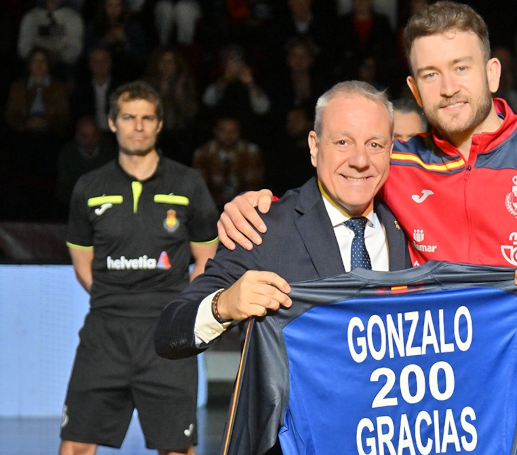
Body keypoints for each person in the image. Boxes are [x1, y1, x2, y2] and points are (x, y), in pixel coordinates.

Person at [216, 3, 517, 454]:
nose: (449, 88)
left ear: (492, 73)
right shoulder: (396, 164)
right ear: (415, 90)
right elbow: (334, 184)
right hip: (452, 423)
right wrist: (258, 206)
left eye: (461, 67)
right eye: (431, 74)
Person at [154, 82, 411, 454]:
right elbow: (169, 331)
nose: (360, 160)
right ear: (314, 146)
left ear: (390, 150)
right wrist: (224, 305)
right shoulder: (263, 228)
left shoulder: (409, 227)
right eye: (342, 142)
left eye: (375, 144)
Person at [60, 80, 219, 455]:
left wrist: (180, 307)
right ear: (112, 123)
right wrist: (113, 297)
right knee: (76, 446)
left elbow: (207, 258)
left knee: (176, 449)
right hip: (105, 334)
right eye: (129, 117)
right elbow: (81, 261)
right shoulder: (89, 186)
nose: (138, 126)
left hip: (168, 336)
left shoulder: (188, 183)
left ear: (159, 124)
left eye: (147, 118)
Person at [192, 117, 264, 211]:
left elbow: (254, 185)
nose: (228, 135)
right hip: (212, 207)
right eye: (223, 131)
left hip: (245, 206)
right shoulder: (203, 153)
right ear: (215, 131)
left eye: (233, 131)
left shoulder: (250, 152)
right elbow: (200, 187)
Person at [54, 116, 116, 219]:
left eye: (94, 135)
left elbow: (114, 185)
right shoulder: (67, 154)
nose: (90, 141)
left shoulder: (109, 153)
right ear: (77, 136)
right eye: (84, 136)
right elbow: (63, 189)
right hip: (74, 209)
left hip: (105, 209)